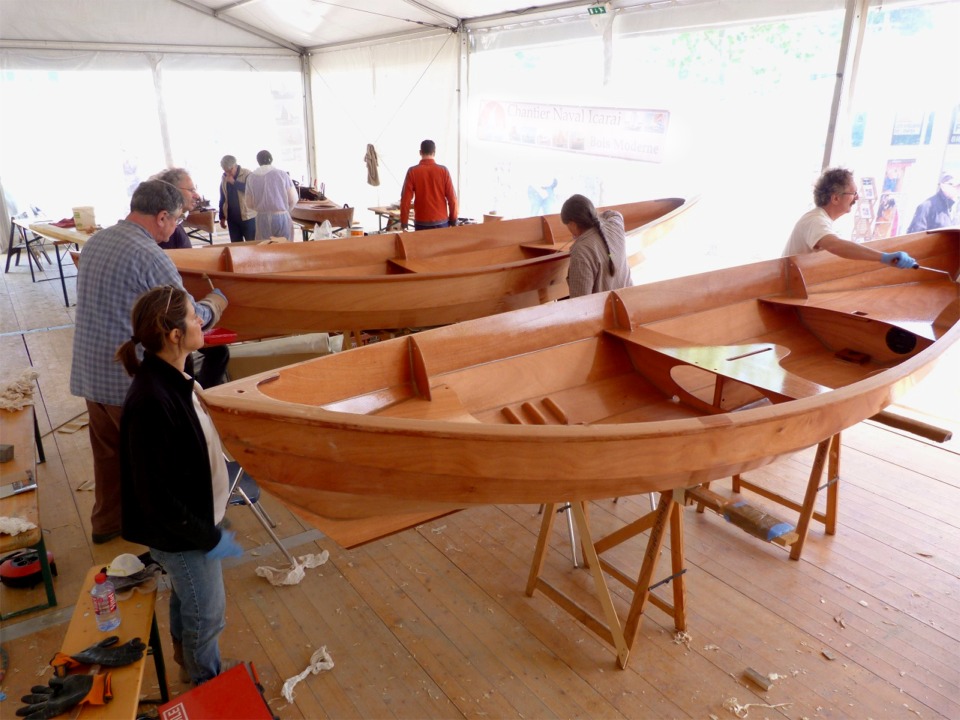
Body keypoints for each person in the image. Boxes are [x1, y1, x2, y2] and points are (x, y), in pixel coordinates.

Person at [70, 180, 228, 544]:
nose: (176, 228)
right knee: (156, 469)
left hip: (91, 374)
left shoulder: (96, 242)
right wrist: (216, 302)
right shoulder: (151, 255)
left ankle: (106, 523)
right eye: (176, 220)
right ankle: (161, 540)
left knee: (108, 459)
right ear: (161, 217)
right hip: (130, 384)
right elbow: (185, 315)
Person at [116, 285, 243, 685]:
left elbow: (190, 444)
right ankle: (207, 683)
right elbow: (155, 496)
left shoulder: (172, 377)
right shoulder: (152, 399)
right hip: (183, 536)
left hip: (194, 523)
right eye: (193, 316)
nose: (200, 320)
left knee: (188, 602)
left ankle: (187, 662)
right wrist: (209, 536)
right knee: (208, 617)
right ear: (174, 335)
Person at [154, 167, 230, 389]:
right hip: (172, 324)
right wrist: (214, 303)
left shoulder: (172, 229)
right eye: (192, 189)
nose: (196, 194)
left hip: (176, 316)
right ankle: (194, 399)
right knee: (212, 353)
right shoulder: (167, 236)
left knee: (216, 352)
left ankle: (197, 396)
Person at [783, 167, 917, 268]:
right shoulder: (815, 220)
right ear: (835, 198)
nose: (857, 197)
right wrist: (884, 257)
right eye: (853, 193)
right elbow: (835, 245)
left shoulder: (820, 218)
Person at [561, 194, 632, 297]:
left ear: (572, 224)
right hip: (630, 301)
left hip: (607, 311)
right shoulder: (615, 224)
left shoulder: (580, 251)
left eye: (567, 225)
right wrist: (593, 218)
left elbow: (580, 301)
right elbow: (615, 214)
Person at [399, 139, 458, 231]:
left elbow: (405, 200)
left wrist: (404, 224)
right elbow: (452, 198)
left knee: (422, 246)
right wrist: (453, 221)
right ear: (434, 152)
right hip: (441, 222)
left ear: (420, 152)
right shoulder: (444, 171)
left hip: (421, 223)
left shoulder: (412, 171)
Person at [244, 149, 297, 241]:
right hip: (281, 216)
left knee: (265, 247)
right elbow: (293, 198)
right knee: (284, 245)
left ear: (258, 161)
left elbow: (249, 203)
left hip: (261, 218)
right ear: (271, 159)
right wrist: (287, 210)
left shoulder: (251, 177)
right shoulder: (282, 174)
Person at [154, 168, 201, 250]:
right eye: (191, 190)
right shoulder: (165, 229)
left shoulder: (174, 223)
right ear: (173, 190)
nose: (197, 196)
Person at [218, 155, 257, 242]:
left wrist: (234, 183)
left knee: (251, 244)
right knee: (236, 246)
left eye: (230, 170)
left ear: (235, 165)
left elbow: (251, 191)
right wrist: (222, 217)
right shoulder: (224, 177)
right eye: (225, 171)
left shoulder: (247, 174)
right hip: (232, 219)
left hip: (248, 217)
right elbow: (223, 197)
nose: (228, 173)